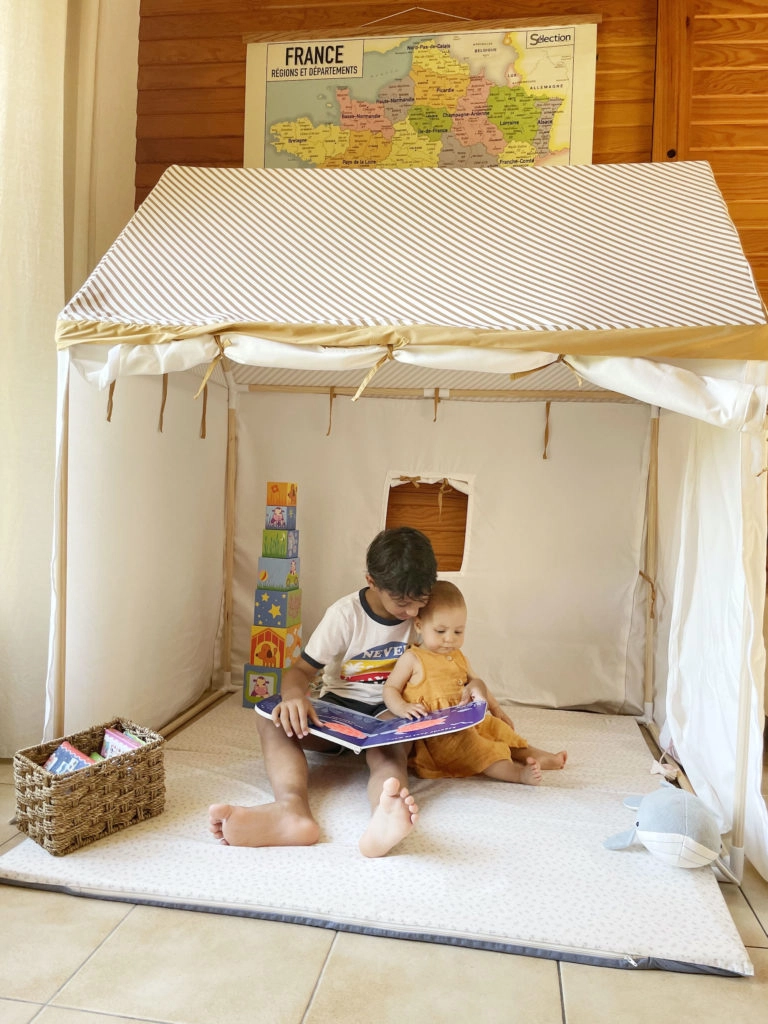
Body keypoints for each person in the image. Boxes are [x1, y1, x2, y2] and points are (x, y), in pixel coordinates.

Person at [209, 526, 438, 858]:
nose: (413, 613)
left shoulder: (424, 612)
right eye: (403, 603)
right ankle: (291, 809)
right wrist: (294, 699)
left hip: (394, 708)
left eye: (421, 602)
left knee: (388, 752)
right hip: (339, 709)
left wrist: (474, 686)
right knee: (273, 721)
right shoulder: (345, 615)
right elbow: (300, 671)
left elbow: (450, 660)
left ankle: (383, 817)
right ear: (372, 581)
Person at [383, 581, 567, 785]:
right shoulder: (413, 658)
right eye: (441, 631)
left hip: (468, 720)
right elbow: (391, 688)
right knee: (479, 749)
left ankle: (532, 754)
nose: (449, 639)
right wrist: (402, 707)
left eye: (458, 632)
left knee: (499, 730)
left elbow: (478, 682)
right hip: (442, 732)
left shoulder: (459, 656)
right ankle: (516, 774)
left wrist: (497, 710)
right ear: (419, 625)